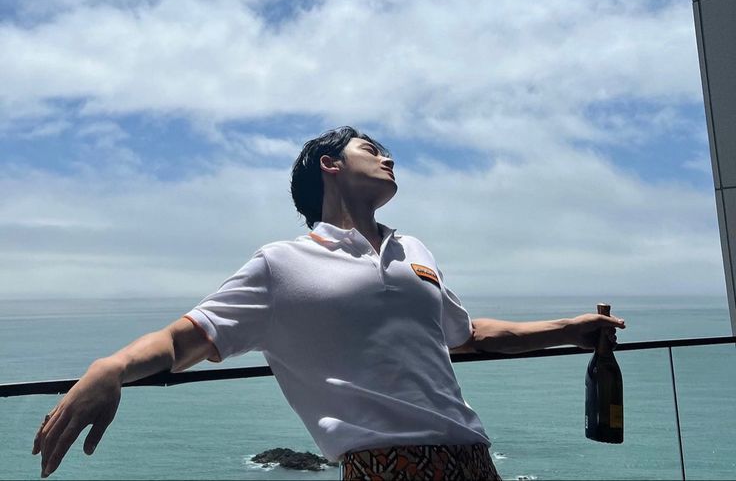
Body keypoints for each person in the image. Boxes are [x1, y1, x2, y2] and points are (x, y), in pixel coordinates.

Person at [33, 126, 626, 480]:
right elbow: (182, 340)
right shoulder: (280, 264)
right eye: (374, 149)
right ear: (331, 165)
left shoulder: (412, 248)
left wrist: (569, 329)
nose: (390, 158)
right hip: (383, 469)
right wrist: (109, 368)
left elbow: (467, 335)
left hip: (474, 455)